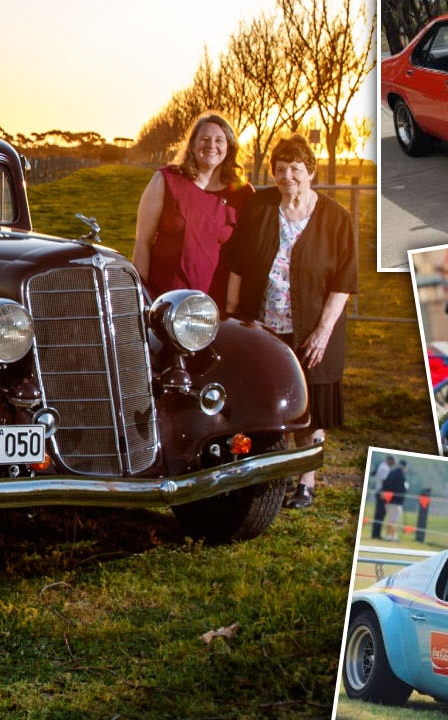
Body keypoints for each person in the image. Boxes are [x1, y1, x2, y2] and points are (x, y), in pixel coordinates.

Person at [223, 134, 358, 509]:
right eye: (280, 170)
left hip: (312, 330)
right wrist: (233, 314)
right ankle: (269, 477)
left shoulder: (336, 218)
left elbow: (344, 282)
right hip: (262, 324)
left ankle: (306, 482)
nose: (288, 177)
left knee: (309, 405)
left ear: (310, 171)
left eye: (296, 169)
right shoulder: (261, 207)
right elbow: (239, 261)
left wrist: (323, 332)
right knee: (261, 399)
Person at [133, 112, 254, 301]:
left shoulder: (242, 193)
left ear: (229, 146)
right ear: (192, 145)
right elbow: (142, 243)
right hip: (166, 300)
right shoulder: (166, 180)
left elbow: (245, 256)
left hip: (215, 306)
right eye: (204, 139)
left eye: (219, 140)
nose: (211, 145)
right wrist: (142, 296)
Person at [380, 460, 408, 542]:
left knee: (391, 519)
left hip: (388, 499)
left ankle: (389, 535)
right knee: (394, 519)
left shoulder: (392, 473)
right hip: (396, 501)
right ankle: (392, 536)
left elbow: (385, 484)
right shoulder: (400, 475)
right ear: (404, 467)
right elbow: (402, 488)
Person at [370, 455, 396, 540]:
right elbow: (384, 481)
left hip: (379, 491)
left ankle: (376, 533)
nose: (393, 464)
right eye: (393, 462)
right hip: (381, 493)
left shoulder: (382, 466)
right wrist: (384, 492)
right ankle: (376, 534)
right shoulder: (385, 468)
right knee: (380, 514)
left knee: (379, 514)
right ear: (390, 461)